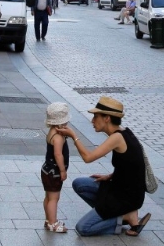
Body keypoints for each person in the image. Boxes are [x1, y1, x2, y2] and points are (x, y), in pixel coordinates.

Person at [56, 97, 151, 237]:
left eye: (96, 116)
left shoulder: (117, 138)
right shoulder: (124, 132)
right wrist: (109, 176)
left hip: (125, 198)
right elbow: (131, 166)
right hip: (120, 188)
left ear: (107, 118)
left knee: (83, 228)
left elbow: (88, 158)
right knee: (79, 184)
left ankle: (123, 217)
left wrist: (73, 136)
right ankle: (117, 214)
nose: (92, 120)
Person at [42, 102, 70, 233]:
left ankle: (48, 220)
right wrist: (63, 170)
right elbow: (58, 154)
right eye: (65, 123)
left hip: (46, 170)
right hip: (54, 172)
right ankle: (53, 223)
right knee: (54, 198)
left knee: (48, 196)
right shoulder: (58, 137)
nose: (66, 125)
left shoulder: (51, 132)